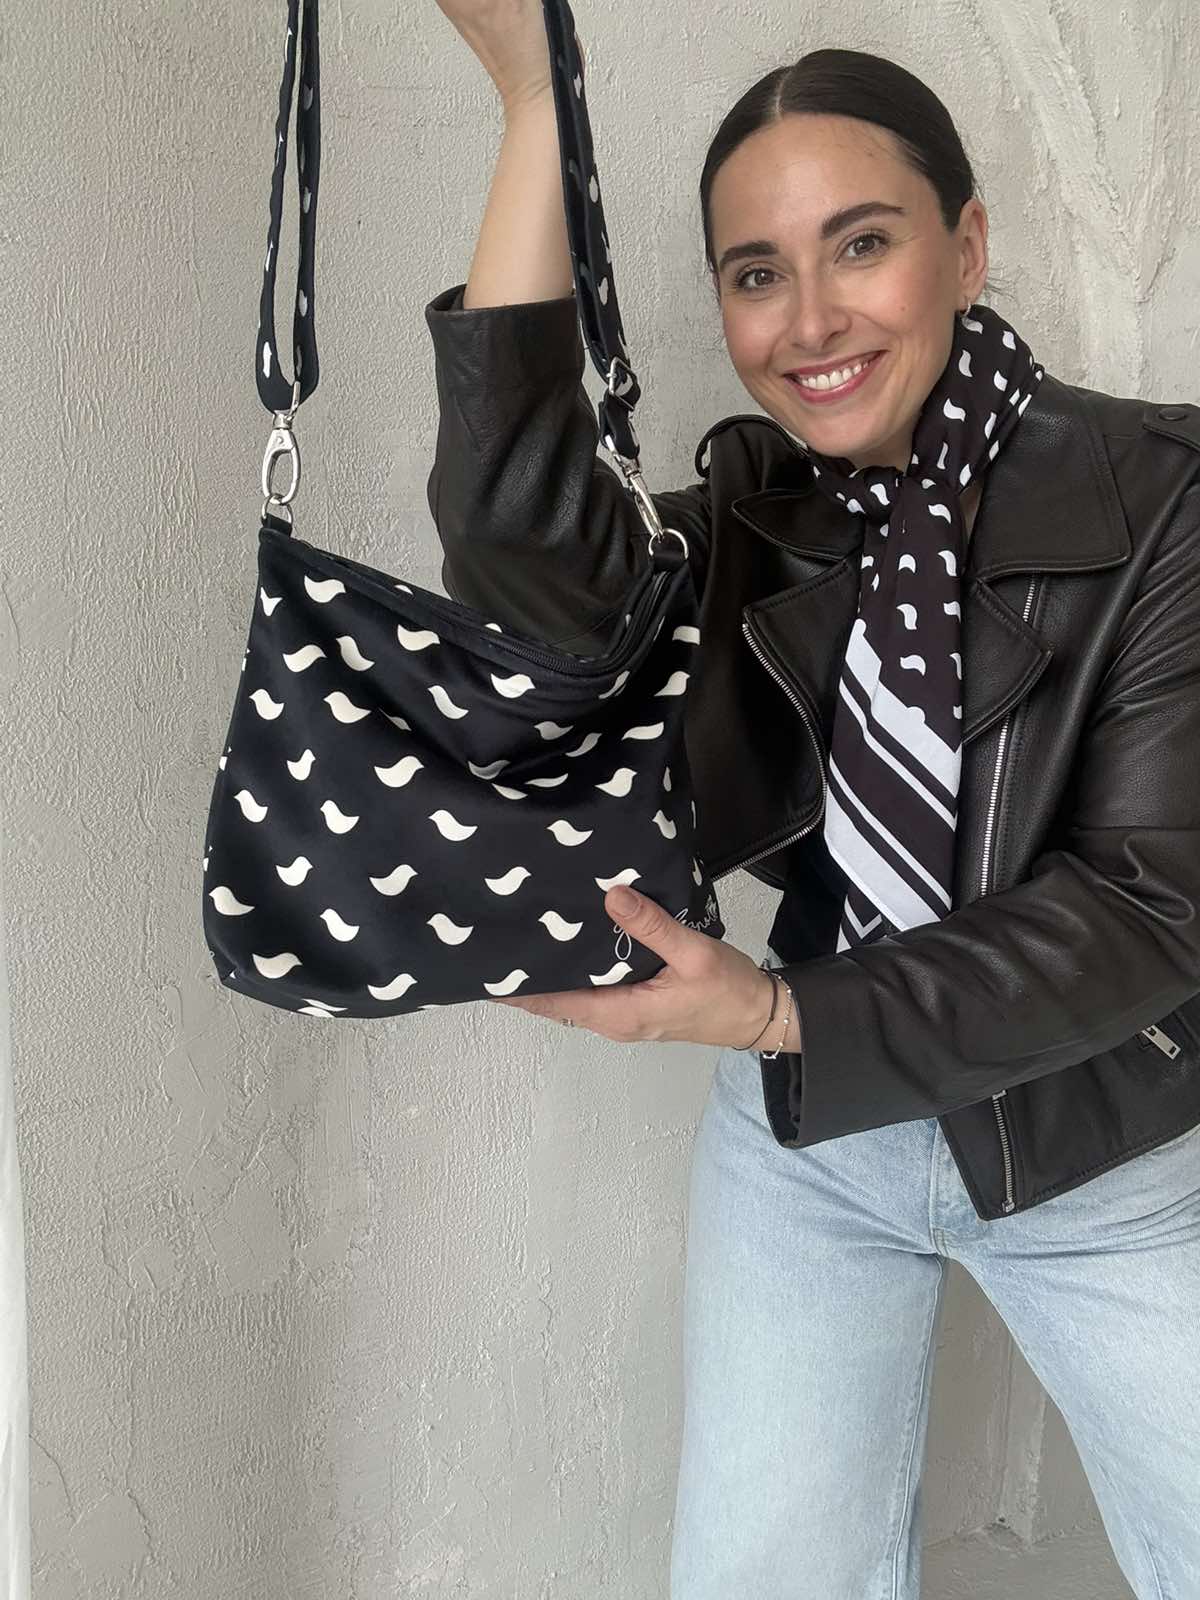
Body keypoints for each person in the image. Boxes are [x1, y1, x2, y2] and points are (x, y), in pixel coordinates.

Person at [427, 4, 1200, 1595]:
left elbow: (1149, 909)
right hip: (813, 1149)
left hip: (1105, 1148)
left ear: (965, 247)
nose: (810, 319)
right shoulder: (759, 519)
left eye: (863, 244)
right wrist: (533, 113)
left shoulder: (1165, 501)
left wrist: (781, 1012)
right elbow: (519, 545)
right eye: (756, 272)